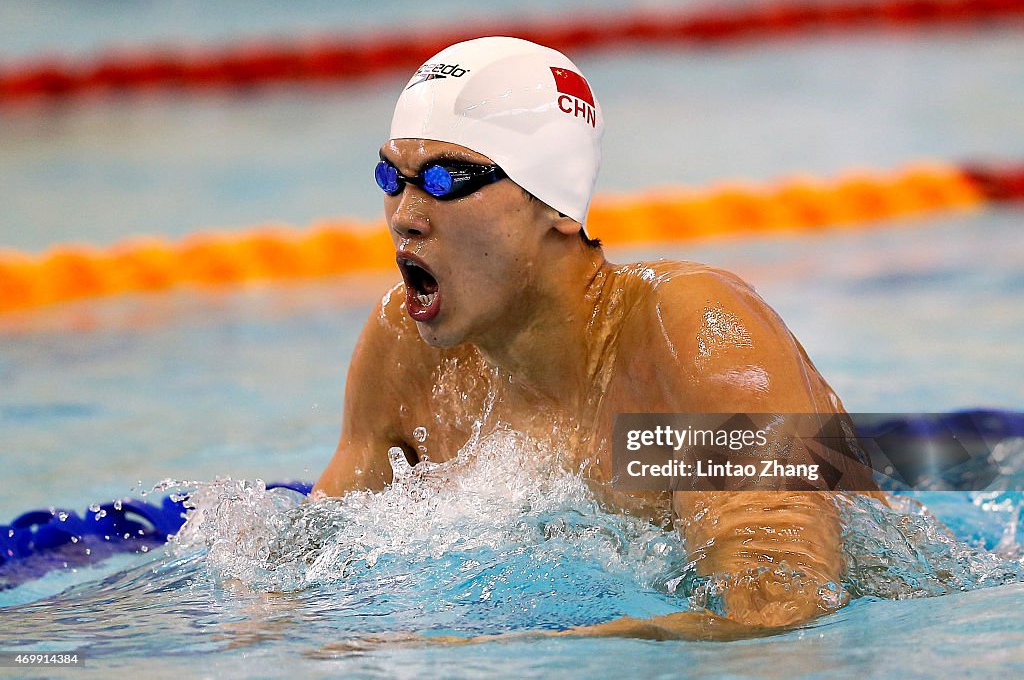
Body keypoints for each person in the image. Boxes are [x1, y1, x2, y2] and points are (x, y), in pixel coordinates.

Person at [314, 36, 869, 640]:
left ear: (558, 206)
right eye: (391, 177)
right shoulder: (410, 348)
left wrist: (516, 654)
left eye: (446, 179)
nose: (404, 214)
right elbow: (312, 566)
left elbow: (782, 607)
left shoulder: (689, 334)